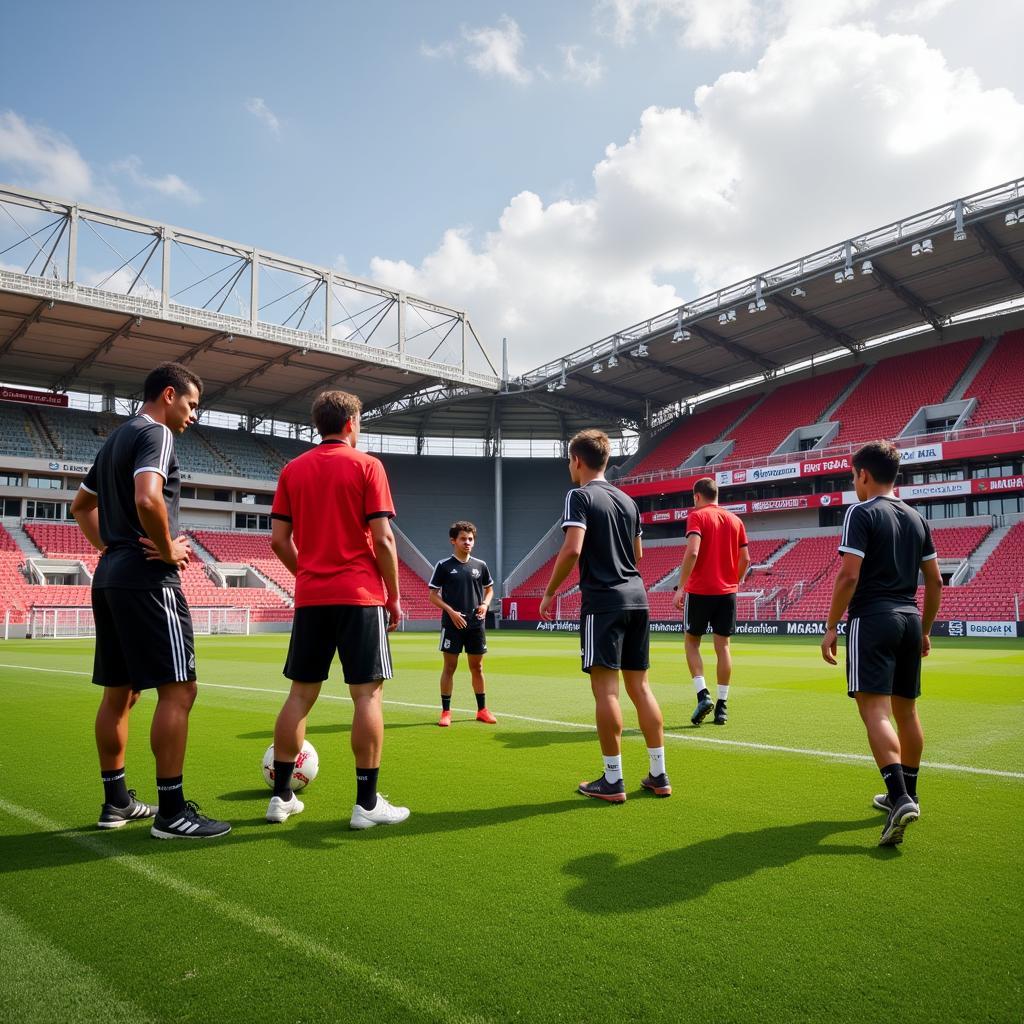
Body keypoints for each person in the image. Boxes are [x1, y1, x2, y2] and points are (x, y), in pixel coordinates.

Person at [70, 361, 230, 840]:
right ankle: (172, 811)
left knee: (120, 692)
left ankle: (116, 801)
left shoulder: (114, 439)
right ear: (168, 395)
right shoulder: (156, 434)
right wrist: (163, 547)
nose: (193, 415)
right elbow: (147, 498)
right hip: (147, 580)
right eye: (192, 404)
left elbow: (81, 507)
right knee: (179, 690)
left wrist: (114, 548)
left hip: (111, 576)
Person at [266, 389, 409, 830]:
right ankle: (366, 805)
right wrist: (394, 594)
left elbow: (277, 540)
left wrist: (306, 572)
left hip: (312, 597)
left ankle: (281, 797)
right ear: (351, 423)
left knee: (299, 696)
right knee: (366, 695)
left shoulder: (293, 469)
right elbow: (383, 539)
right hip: (359, 596)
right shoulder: (367, 465)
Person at [821, 439, 941, 848]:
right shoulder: (917, 517)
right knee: (907, 711)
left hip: (872, 617)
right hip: (909, 618)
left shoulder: (861, 511)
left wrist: (832, 624)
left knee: (874, 710)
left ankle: (898, 796)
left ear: (864, 475)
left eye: (854, 476)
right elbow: (936, 581)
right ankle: (909, 792)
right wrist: (924, 629)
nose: (854, 483)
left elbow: (849, 576)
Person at [540, 429, 669, 802]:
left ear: (577, 460)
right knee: (640, 688)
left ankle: (613, 779)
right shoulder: (628, 502)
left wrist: (549, 593)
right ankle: (658, 774)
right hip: (638, 598)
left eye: (569, 460)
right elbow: (639, 554)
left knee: (606, 691)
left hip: (604, 601)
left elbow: (571, 550)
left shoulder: (578, 496)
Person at [672, 477, 750, 727]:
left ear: (697, 496)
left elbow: (693, 551)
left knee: (692, 642)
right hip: (727, 592)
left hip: (700, 591)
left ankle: (702, 694)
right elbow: (746, 560)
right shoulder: (736, 520)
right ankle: (723, 707)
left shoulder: (697, 516)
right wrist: (733, 582)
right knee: (723, 647)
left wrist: (681, 587)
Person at [428, 521, 497, 727]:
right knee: (449, 667)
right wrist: (451, 611)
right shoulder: (443, 566)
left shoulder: (480, 565)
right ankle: (446, 712)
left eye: (470, 539)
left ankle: (482, 710)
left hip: (476, 624)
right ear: (453, 541)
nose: (467, 542)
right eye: (463, 539)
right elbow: (432, 595)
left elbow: (490, 589)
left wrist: (485, 604)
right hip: (452, 625)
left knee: (478, 667)